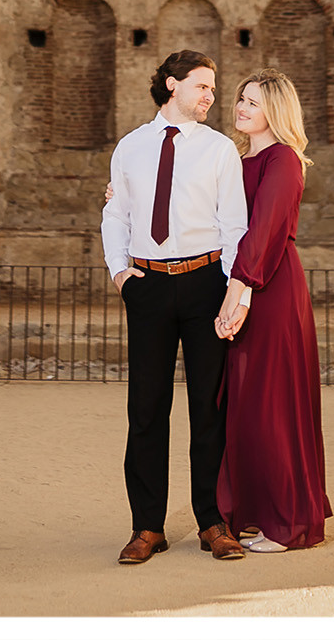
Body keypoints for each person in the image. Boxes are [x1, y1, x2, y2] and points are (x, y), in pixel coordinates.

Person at [100, 50, 251, 565]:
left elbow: (235, 226)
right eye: (202, 86)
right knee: (146, 410)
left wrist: (232, 289)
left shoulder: (220, 150)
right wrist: (121, 274)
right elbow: (115, 214)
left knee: (208, 408)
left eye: (213, 87)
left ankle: (212, 522)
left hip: (207, 282)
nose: (211, 95)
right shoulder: (130, 147)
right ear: (171, 85)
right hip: (148, 286)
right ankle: (148, 527)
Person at [213, 71, 332, 552]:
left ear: (276, 111)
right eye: (241, 99)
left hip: (271, 287)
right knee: (243, 403)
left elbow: (265, 231)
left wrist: (236, 292)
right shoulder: (239, 159)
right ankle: (249, 510)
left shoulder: (283, 160)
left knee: (272, 405)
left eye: (253, 102)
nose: (241, 108)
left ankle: (287, 522)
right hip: (244, 283)